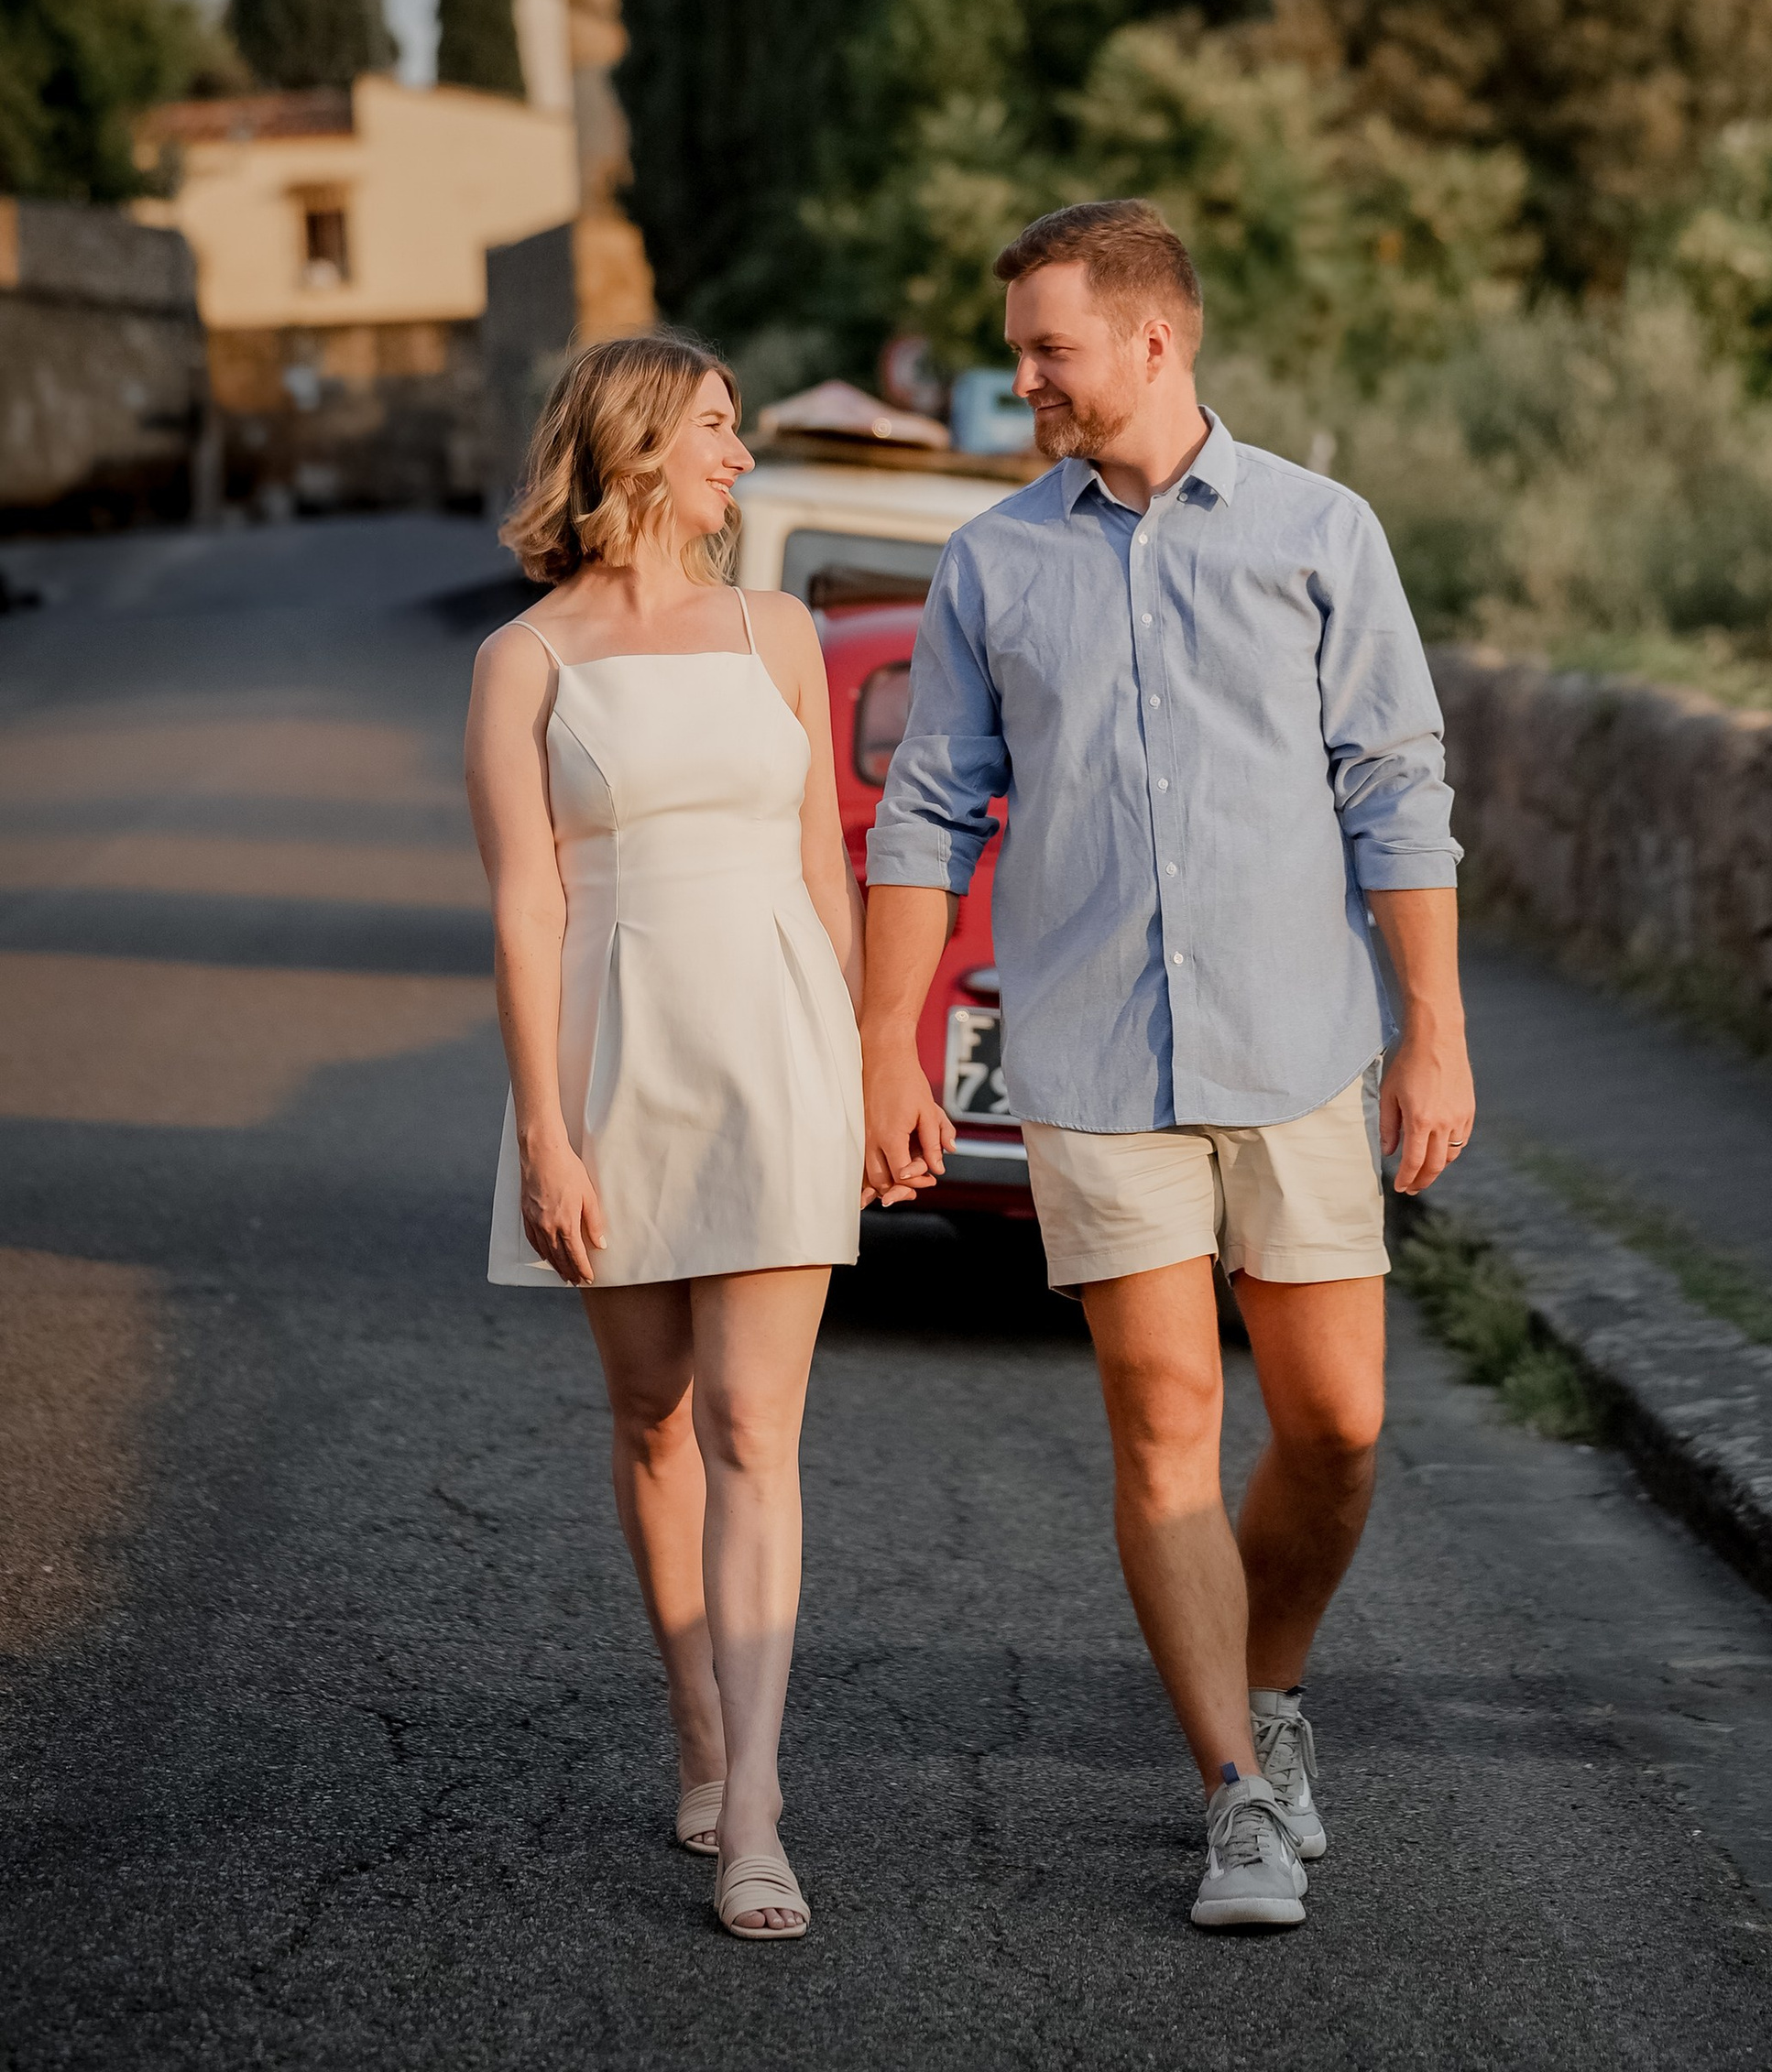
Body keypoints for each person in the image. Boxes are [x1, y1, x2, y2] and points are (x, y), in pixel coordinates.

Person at [862, 199, 1475, 1933]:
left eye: (1047, 351)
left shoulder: (1320, 533)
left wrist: (1433, 1031)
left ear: (1153, 340)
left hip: (1299, 1048)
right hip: (1095, 1060)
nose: (1024, 382)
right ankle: (1233, 1798)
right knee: (1166, 1429)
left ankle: (1268, 1695)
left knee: (1338, 1428)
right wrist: (884, 1045)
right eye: (1019, 353)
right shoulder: (993, 563)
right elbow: (927, 811)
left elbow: (1396, 790)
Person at [470, 333, 864, 1944]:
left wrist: (861, 1068)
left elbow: (824, 871)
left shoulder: (782, 631)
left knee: (757, 1429)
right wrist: (545, 1136)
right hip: (613, 1054)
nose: (740, 458)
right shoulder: (524, 660)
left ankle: (755, 1804)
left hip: (776, 1041)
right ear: (634, 445)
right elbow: (526, 908)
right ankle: (697, 1722)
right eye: (717, 427)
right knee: (654, 1419)